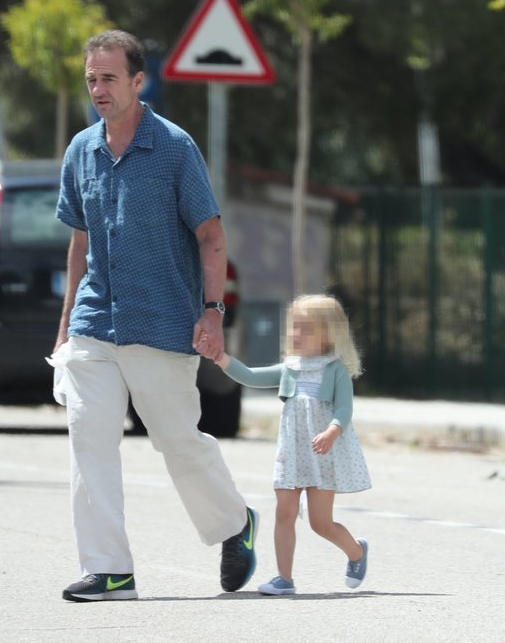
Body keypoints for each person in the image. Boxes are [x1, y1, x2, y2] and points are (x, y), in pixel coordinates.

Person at [52, 30, 257, 602]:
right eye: (91, 78)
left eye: (109, 78)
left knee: (176, 442)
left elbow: (211, 236)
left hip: (162, 321)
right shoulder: (80, 151)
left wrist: (212, 314)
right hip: (96, 321)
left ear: (139, 81)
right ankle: (109, 568)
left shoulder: (173, 148)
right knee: (88, 439)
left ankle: (235, 523)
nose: (98, 89)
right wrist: (67, 322)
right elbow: (79, 243)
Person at [209, 294, 371, 595]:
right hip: (291, 454)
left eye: (306, 328)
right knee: (284, 512)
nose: (296, 334)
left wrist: (332, 431)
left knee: (320, 524)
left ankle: (356, 552)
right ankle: (284, 578)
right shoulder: (291, 367)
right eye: (295, 327)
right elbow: (249, 376)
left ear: (329, 333)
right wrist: (221, 358)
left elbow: (344, 410)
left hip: (322, 454)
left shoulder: (335, 369)